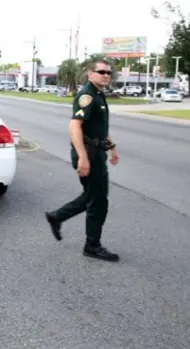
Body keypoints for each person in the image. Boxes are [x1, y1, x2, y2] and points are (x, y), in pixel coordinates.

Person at [44, 59, 120, 262]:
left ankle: (57, 216)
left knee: (94, 196)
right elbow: (74, 126)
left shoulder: (98, 94)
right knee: (98, 201)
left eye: (108, 73)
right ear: (90, 73)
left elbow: (100, 129)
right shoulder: (87, 95)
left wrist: (112, 148)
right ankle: (92, 246)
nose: (105, 75)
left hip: (96, 152)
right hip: (89, 154)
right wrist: (83, 159)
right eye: (101, 72)